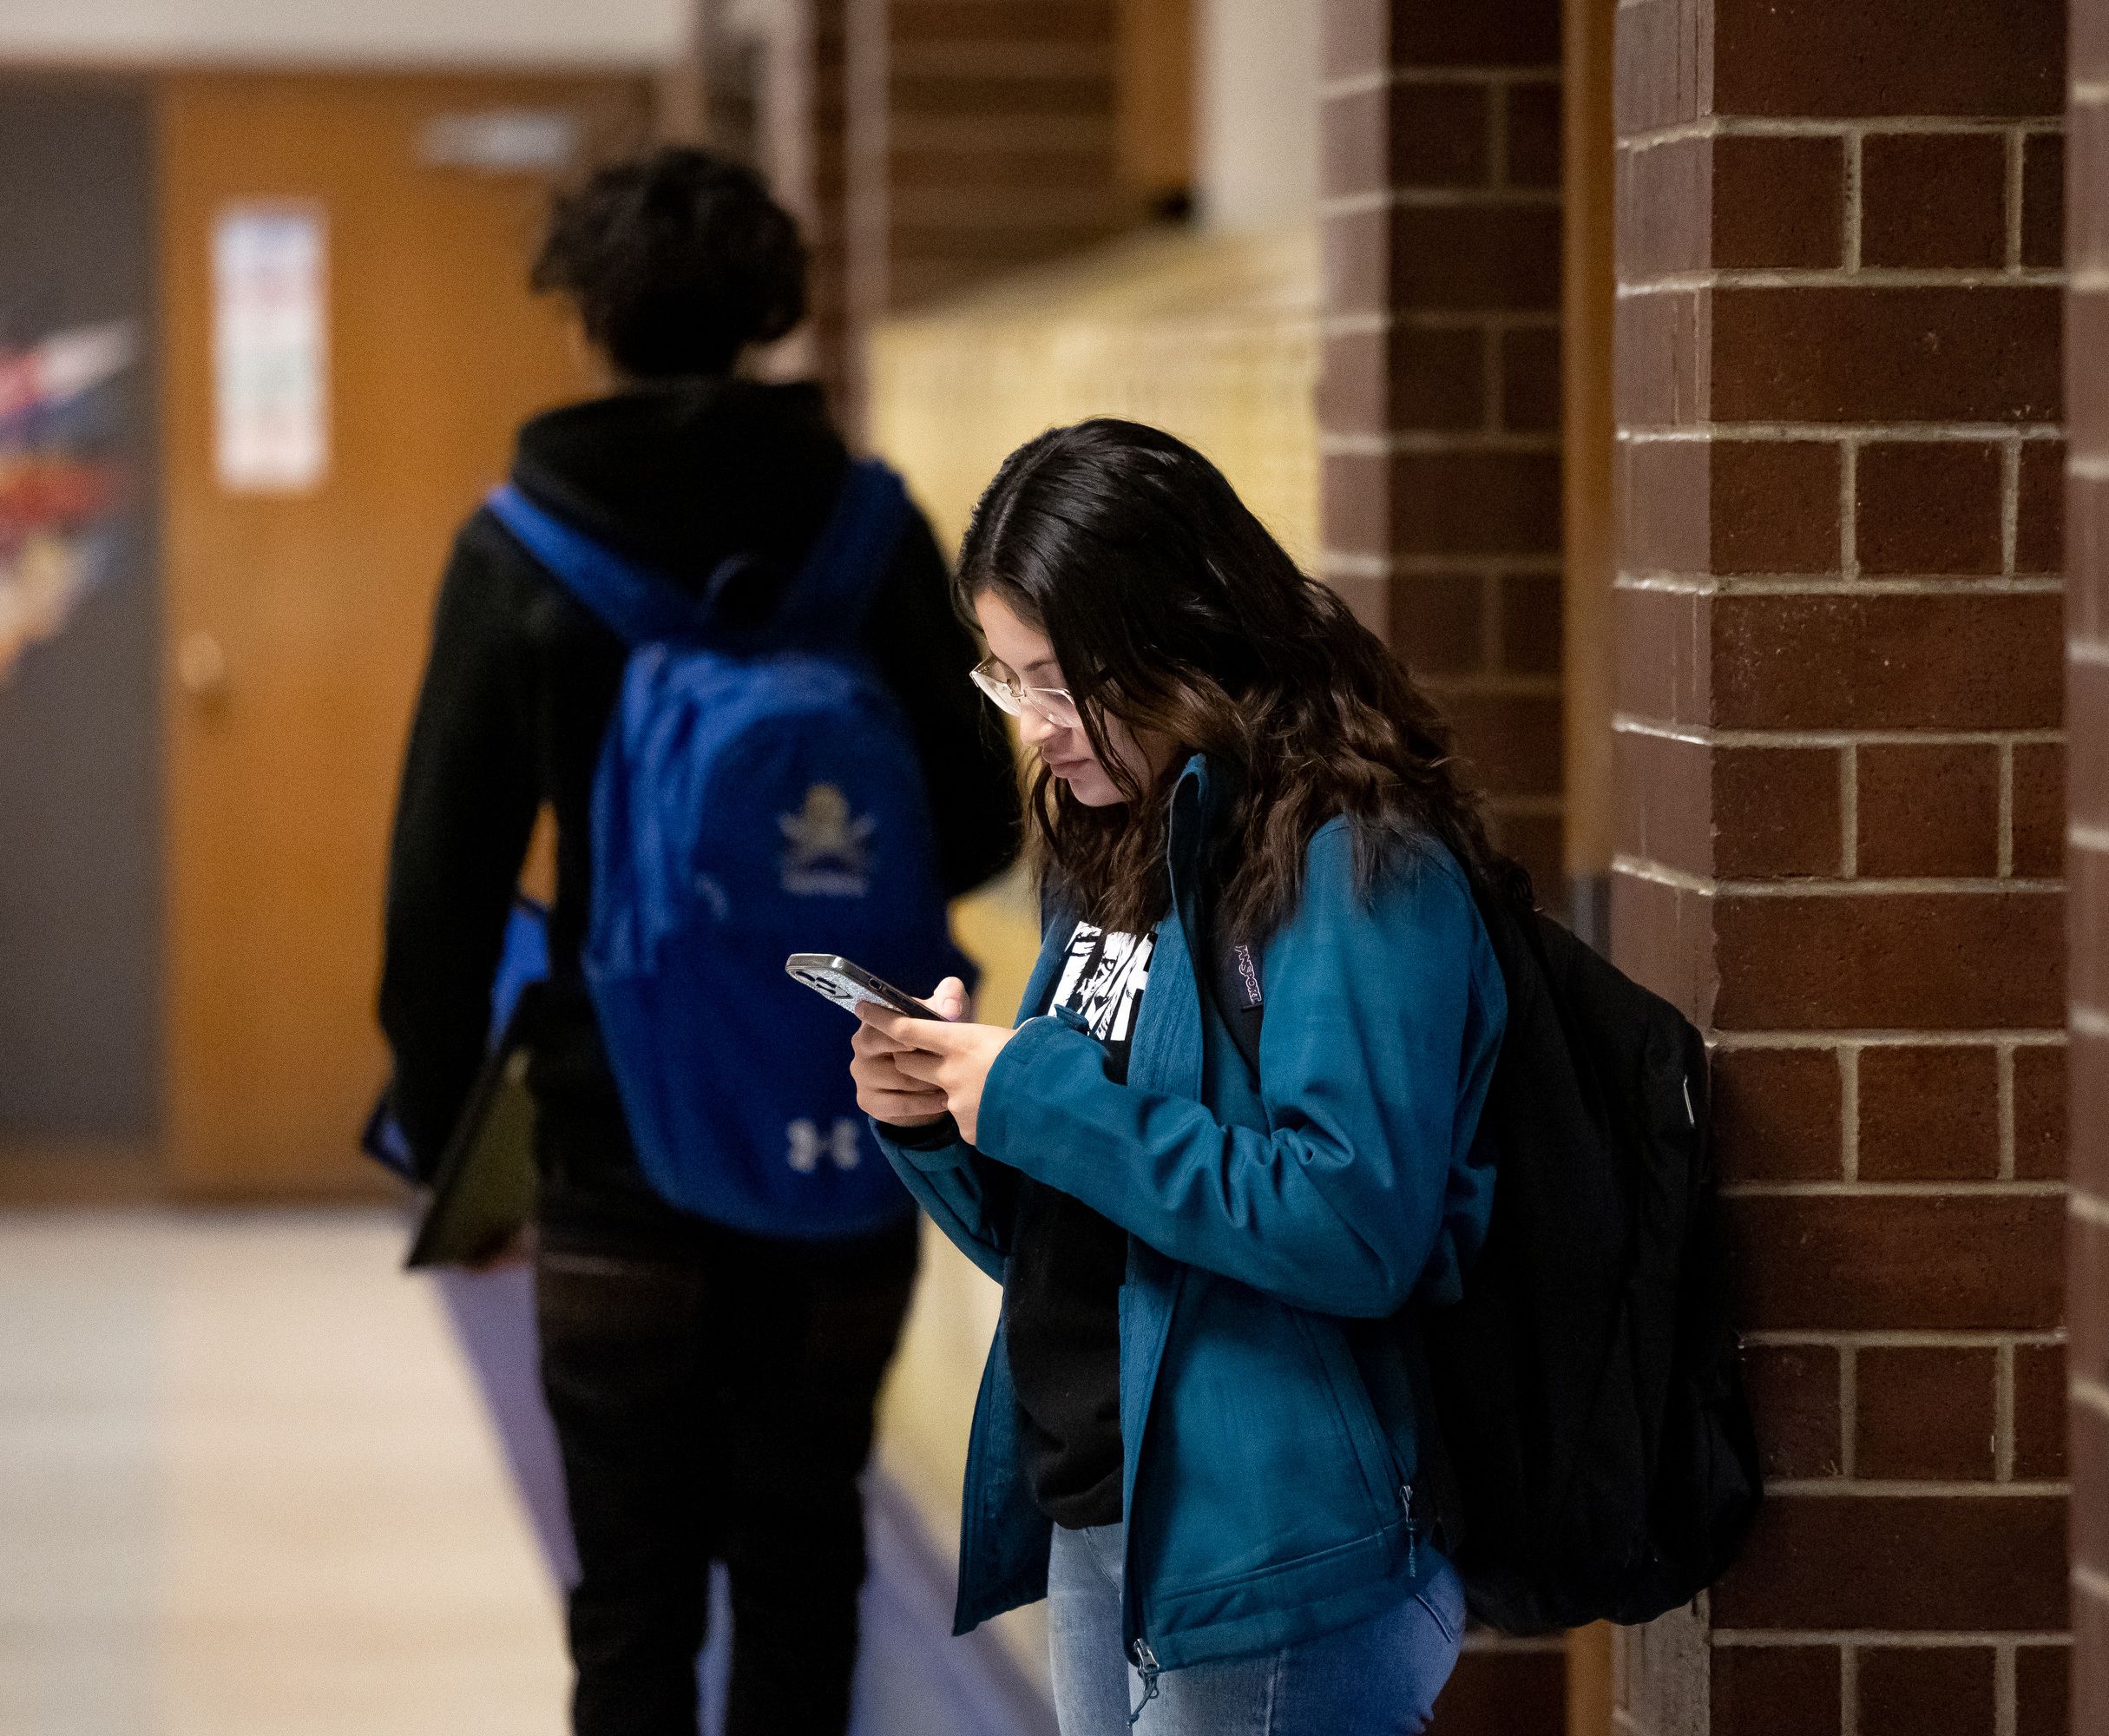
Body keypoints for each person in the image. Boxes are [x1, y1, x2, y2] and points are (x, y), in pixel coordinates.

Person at [378, 146, 1022, 1735]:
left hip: (611, 1146)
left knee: (631, 1603)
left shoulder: (521, 548)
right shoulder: (869, 530)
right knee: (807, 1564)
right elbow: (986, 829)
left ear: (587, 316)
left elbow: (437, 899)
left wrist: (467, 1153)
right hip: (842, 1116)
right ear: (765, 314)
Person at [848, 418, 1507, 1736]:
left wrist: (1034, 1096)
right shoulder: (1122, 846)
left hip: (1274, 1548)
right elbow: (1091, 1225)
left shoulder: (1355, 859)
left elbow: (1348, 1220)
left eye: (1056, 682)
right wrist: (944, 1119)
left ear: (1174, 643)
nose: (1035, 730)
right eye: (1006, 682)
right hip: (1116, 1509)